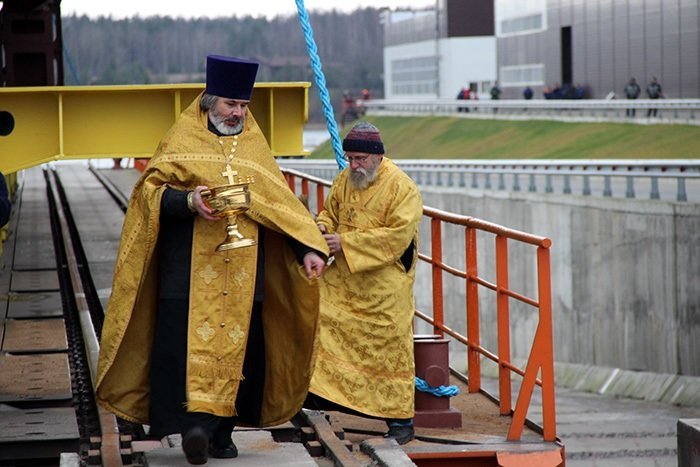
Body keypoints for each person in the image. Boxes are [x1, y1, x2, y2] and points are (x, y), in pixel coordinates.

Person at [95, 54, 329, 465]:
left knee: (242, 356)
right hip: (185, 274)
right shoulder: (181, 140)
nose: (238, 113)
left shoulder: (255, 146)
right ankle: (194, 430)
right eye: (230, 105)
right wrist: (188, 201)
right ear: (209, 101)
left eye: (243, 106)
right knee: (181, 353)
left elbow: (281, 207)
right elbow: (149, 197)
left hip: (244, 278)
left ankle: (222, 434)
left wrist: (307, 248)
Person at [303, 122, 423, 446]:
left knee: (389, 343)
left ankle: (400, 419)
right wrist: (322, 229)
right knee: (315, 311)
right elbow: (330, 212)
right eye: (350, 158)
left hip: (384, 281)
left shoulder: (402, 188)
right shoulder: (344, 179)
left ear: (376, 156)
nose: (353, 165)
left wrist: (346, 243)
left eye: (358, 159)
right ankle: (319, 398)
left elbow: (397, 237)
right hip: (344, 274)